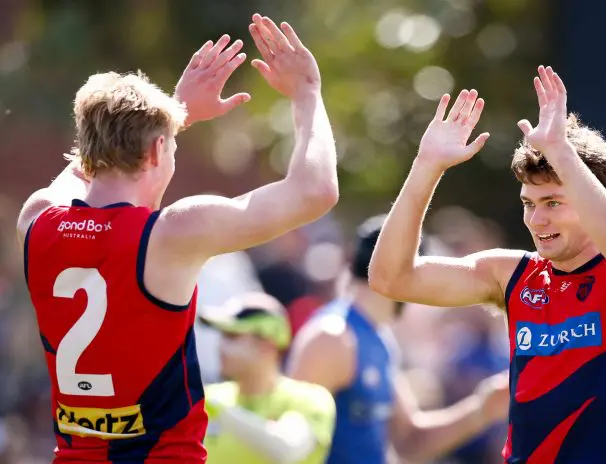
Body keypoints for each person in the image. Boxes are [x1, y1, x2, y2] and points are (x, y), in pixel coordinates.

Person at [17, 13, 338, 463]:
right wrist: (307, 95)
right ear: (155, 151)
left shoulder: (36, 219)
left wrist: (168, 117)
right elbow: (316, 191)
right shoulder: (171, 233)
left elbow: (81, 171)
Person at [368, 66, 606, 463]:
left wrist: (561, 152)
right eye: (529, 204)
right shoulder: (512, 274)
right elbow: (391, 278)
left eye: (553, 203)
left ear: (599, 201)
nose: (536, 220)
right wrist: (426, 167)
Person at [286, 215, 509, 464]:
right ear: (406, 271)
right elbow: (289, 449)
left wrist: (483, 409)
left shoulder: (377, 336)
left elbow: (410, 442)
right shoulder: (330, 339)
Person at [200, 292, 335, 464]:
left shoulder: (310, 399)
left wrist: (216, 409)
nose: (221, 347)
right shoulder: (209, 397)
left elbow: (286, 450)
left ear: (267, 346)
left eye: (232, 336)